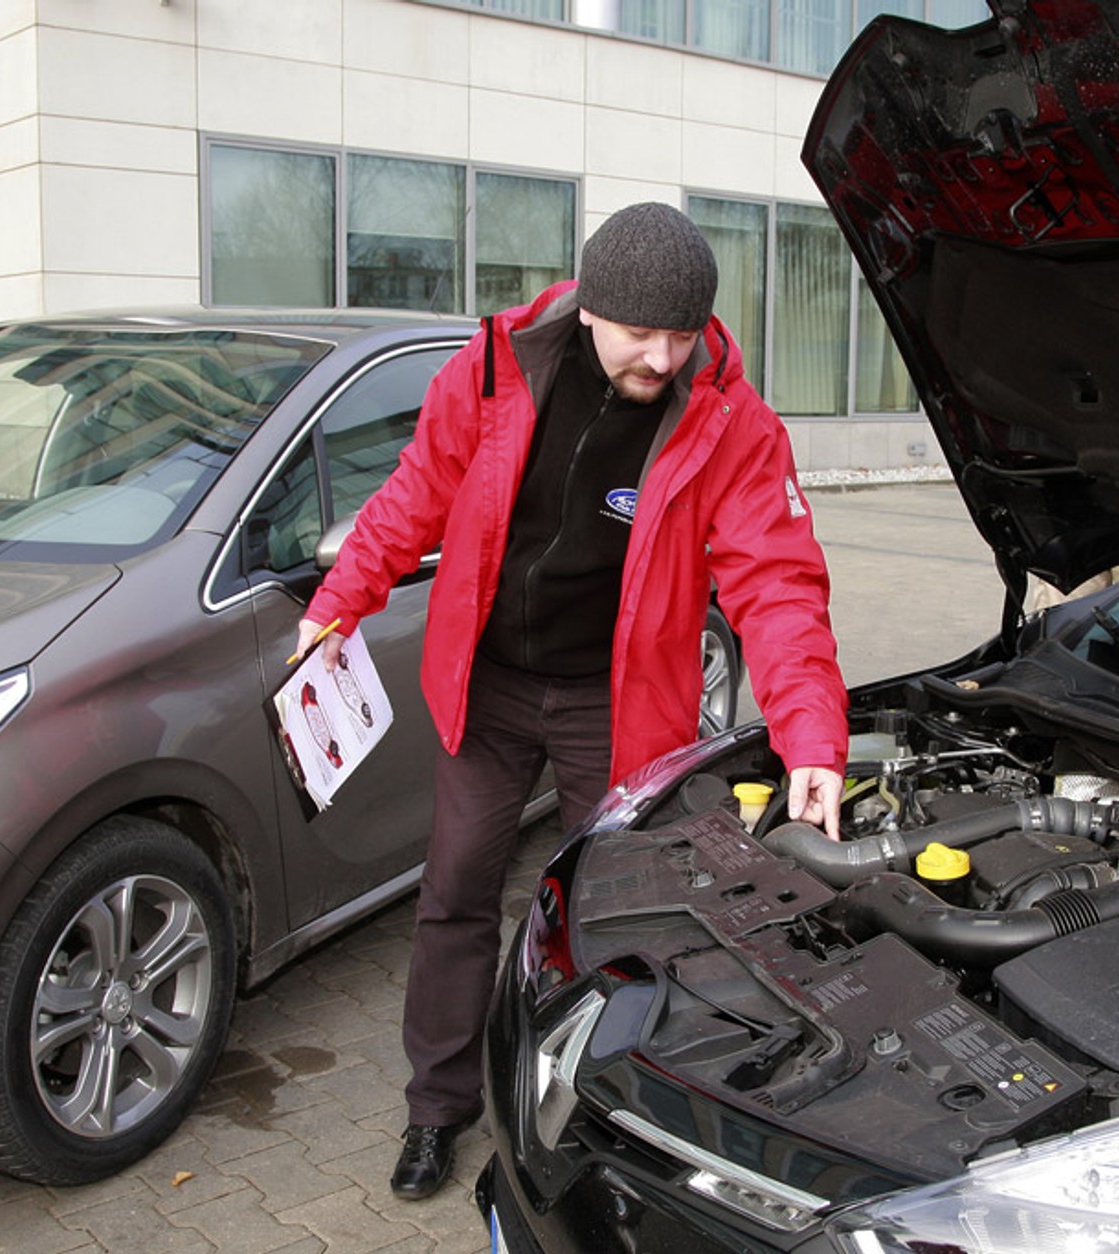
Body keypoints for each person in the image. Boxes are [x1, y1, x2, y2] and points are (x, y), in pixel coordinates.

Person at [294, 201, 849, 1200]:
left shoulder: (729, 420)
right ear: (590, 308)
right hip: (490, 687)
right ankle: (436, 1109)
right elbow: (414, 492)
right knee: (456, 893)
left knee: (610, 916)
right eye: (640, 331)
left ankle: (596, 1106)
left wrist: (810, 733)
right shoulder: (498, 368)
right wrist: (340, 603)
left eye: (682, 334)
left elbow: (776, 582)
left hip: (616, 706)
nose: (662, 356)